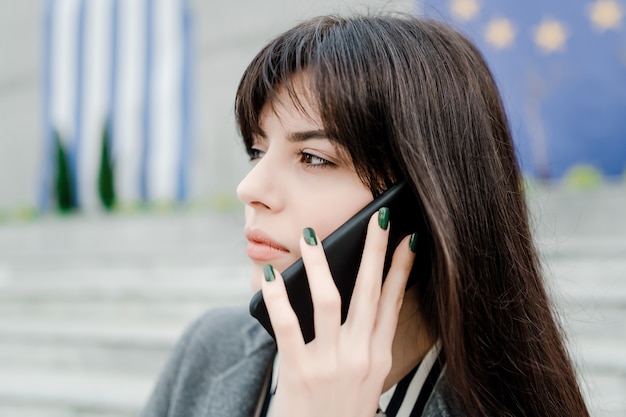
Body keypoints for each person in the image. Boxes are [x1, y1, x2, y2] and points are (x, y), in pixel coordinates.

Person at [141, 13, 590, 417]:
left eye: (313, 157)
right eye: (258, 151)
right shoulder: (209, 349)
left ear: (418, 204)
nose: (249, 189)